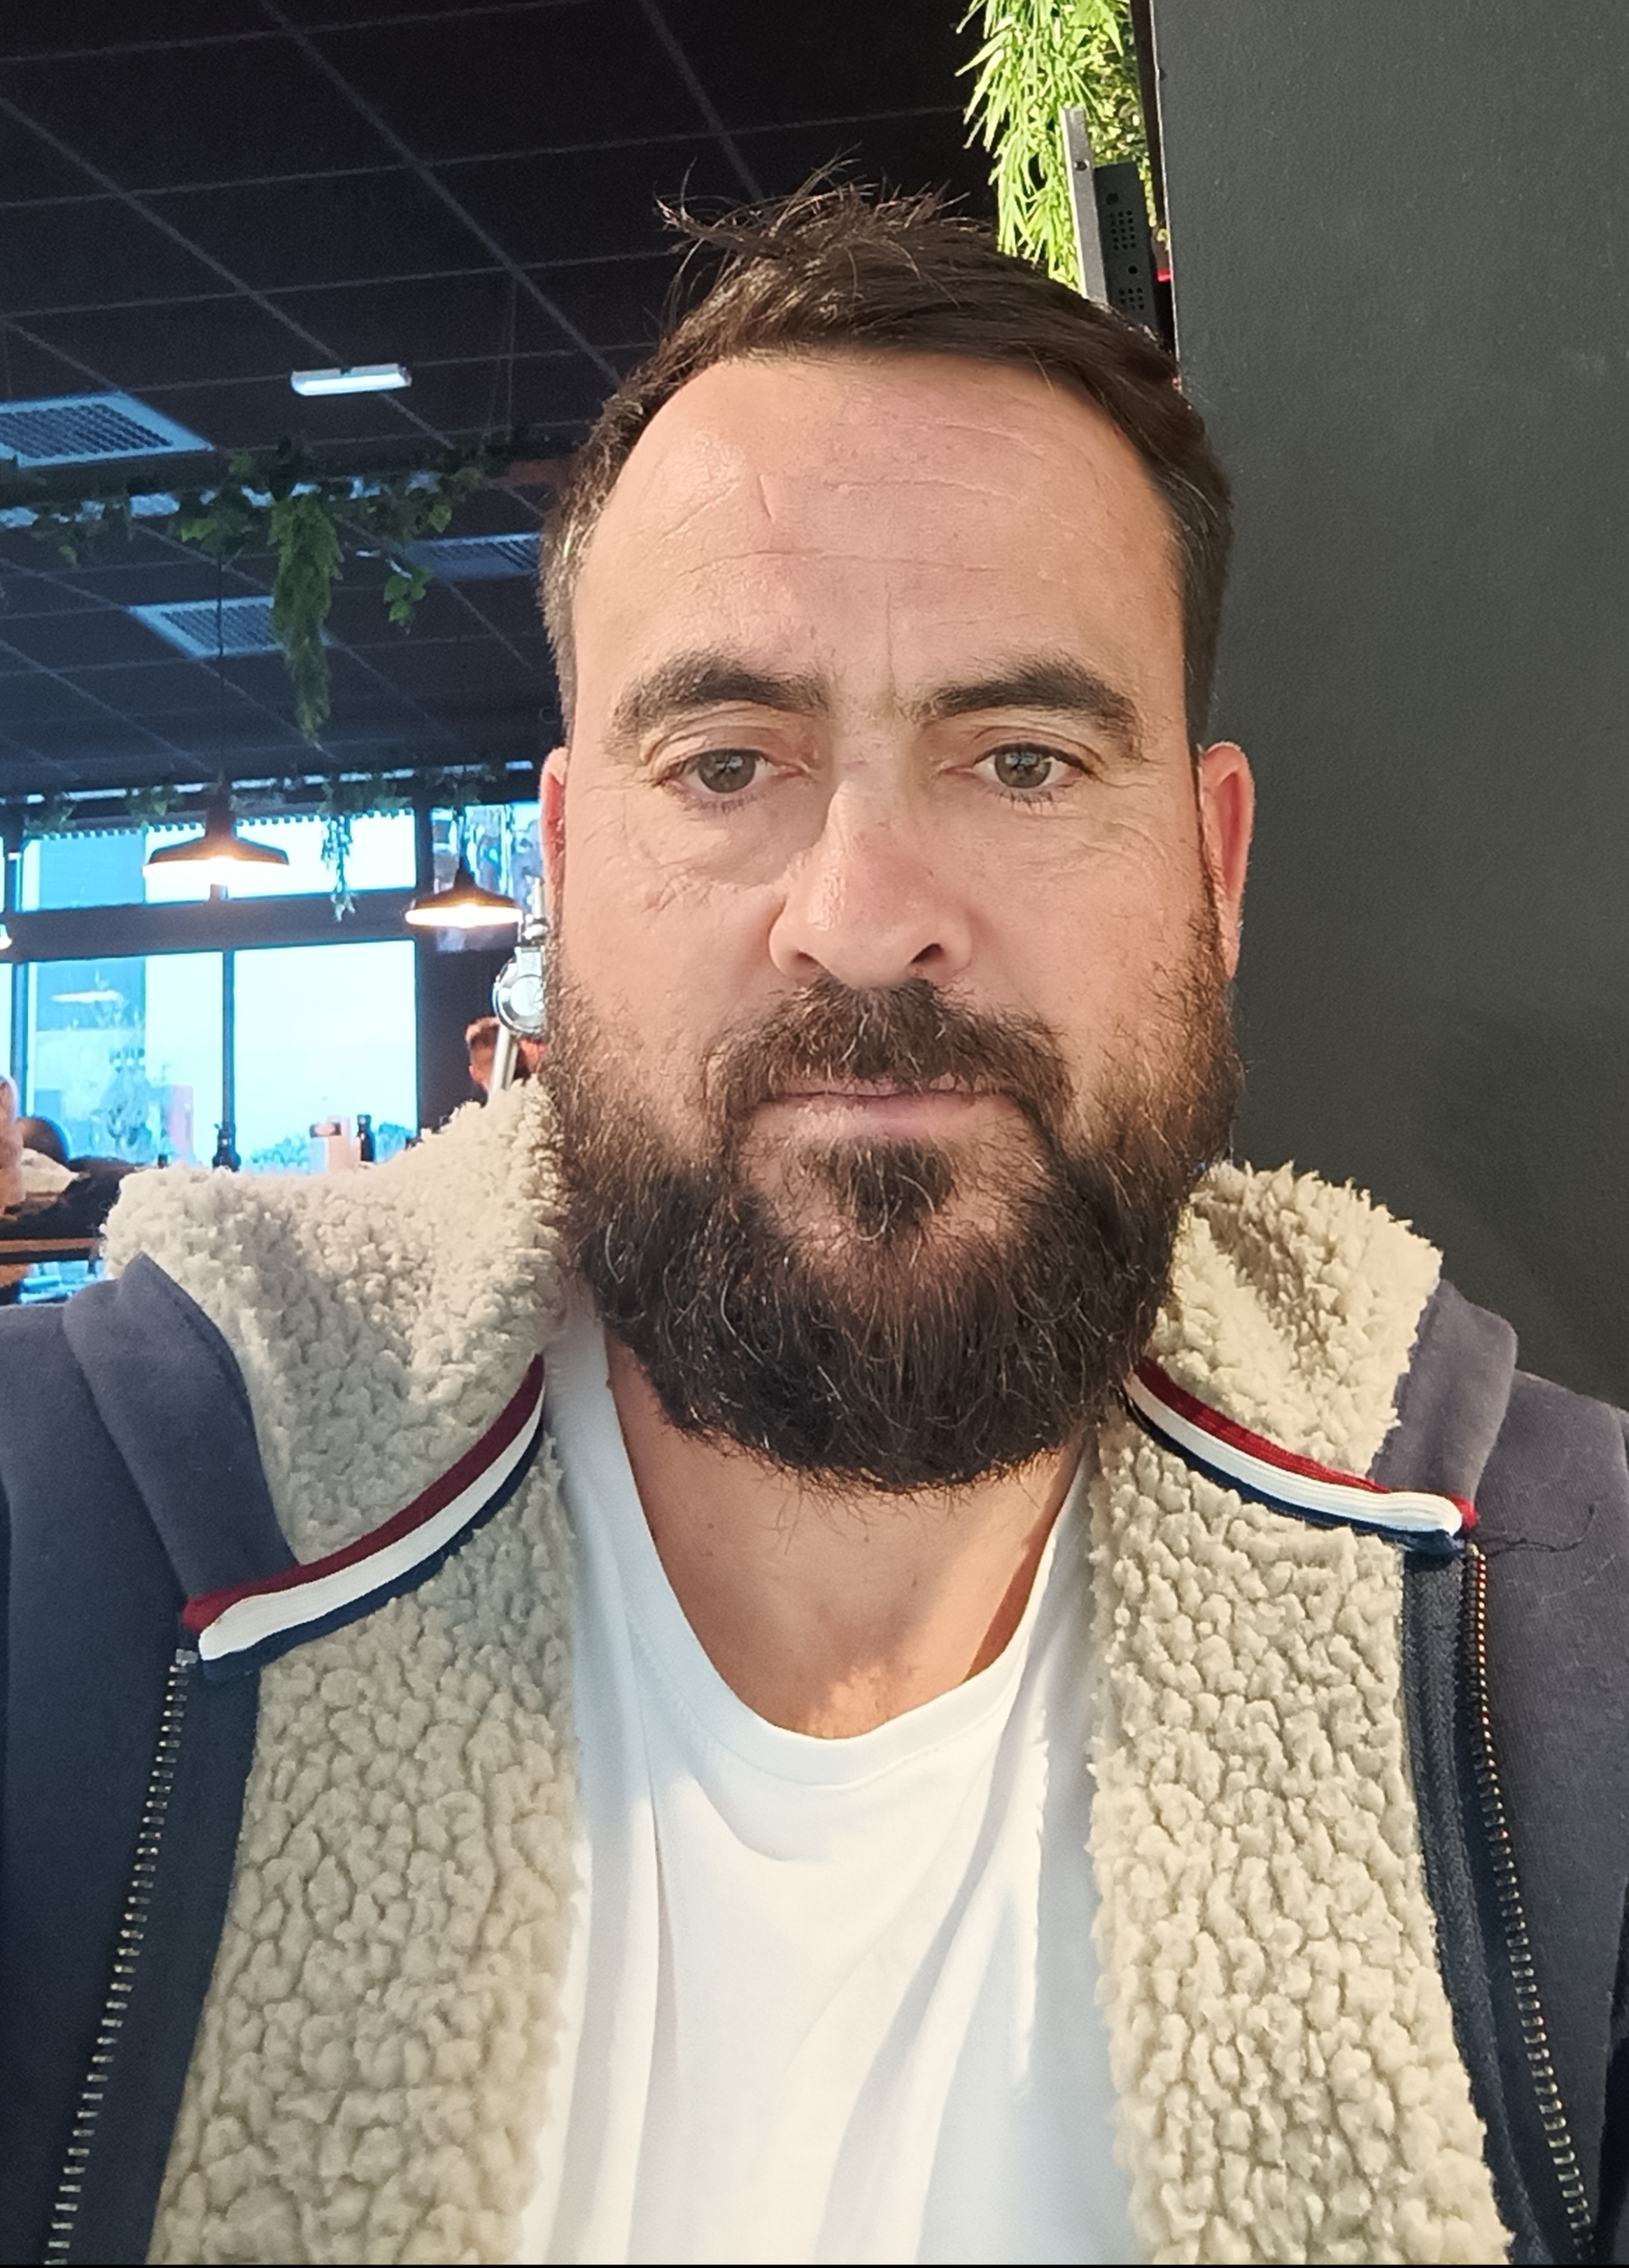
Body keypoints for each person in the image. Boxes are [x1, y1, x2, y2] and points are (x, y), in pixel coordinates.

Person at [0, 189, 1623, 2268]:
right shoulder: (70, 1545)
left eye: (1023, 760)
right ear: (564, 870)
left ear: (1215, 876)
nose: (863, 915)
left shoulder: (1569, 1649)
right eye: (726, 761)